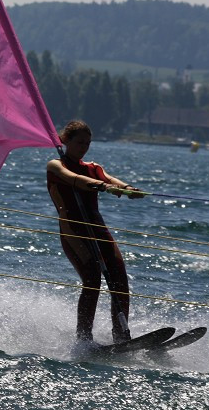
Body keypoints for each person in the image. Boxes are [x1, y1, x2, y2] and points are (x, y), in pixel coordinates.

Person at [46, 120, 145, 346]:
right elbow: (75, 180)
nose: (84, 147)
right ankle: (84, 339)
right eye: (79, 142)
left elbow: (109, 179)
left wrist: (128, 189)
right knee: (92, 278)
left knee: (119, 278)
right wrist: (102, 187)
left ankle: (121, 336)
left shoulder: (93, 167)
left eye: (88, 143)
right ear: (65, 141)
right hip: (73, 229)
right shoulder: (55, 165)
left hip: (97, 228)